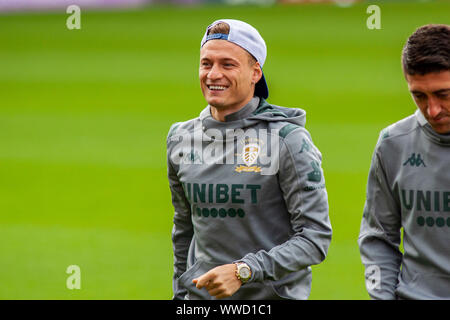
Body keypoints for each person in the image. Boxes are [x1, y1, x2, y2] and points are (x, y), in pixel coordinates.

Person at [166, 19, 332, 300]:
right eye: (206, 64)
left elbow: (314, 239)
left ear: (256, 72)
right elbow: (184, 228)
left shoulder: (288, 141)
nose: (213, 75)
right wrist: (181, 295)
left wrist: (243, 270)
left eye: (227, 65)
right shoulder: (180, 138)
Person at [358, 24, 450, 300]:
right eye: (419, 96)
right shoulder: (392, 143)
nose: (432, 110)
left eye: (443, 94)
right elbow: (377, 238)